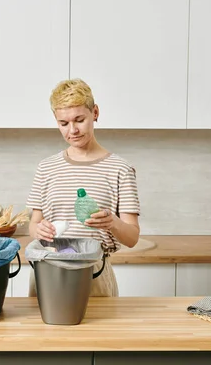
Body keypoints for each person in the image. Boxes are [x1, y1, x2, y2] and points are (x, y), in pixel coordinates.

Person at [27, 79, 141, 297]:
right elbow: (34, 224)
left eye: (80, 120)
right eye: (63, 123)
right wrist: (38, 230)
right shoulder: (46, 168)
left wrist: (112, 223)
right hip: (47, 270)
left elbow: (132, 237)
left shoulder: (120, 169)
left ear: (95, 113)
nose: (73, 130)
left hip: (94, 273)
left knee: (98, 331)